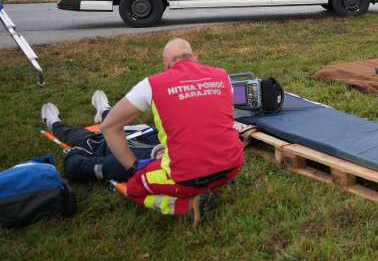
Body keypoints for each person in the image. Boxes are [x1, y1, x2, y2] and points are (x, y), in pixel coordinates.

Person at [98, 38, 244, 219]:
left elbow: (109, 126)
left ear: (166, 64)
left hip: (186, 177)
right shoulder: (222, 76)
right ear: (195, 58)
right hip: (231, 167)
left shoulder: (151, 85)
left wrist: (133, 166)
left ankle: (187, 205)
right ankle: (208, 187)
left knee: (135, 188)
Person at [41, 91, 161, 184]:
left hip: (98, 142)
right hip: (139, 132)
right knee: (115, 121)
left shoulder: (127, 164)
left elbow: (75, 168)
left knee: (72, 134)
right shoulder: (171, 144)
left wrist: (75, 151)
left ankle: (54, 123)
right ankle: (104, 110)